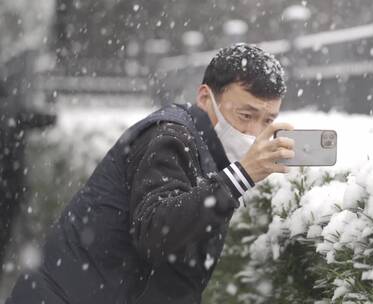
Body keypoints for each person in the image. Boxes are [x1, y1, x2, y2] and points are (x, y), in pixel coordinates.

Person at [6, 43, 295, 304]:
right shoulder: (170, 137)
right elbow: (157, 232)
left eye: (268, 120)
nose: (255, 131)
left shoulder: (204, 145)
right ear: (205, 97)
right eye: (246, 116)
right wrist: (239, 177)